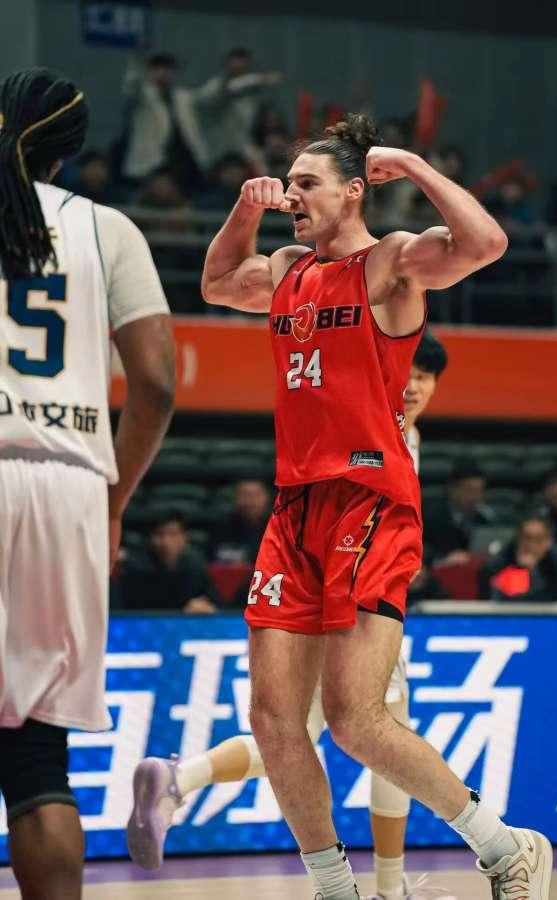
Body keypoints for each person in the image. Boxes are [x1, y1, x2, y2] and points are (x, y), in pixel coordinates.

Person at [131, 115, 551, 898]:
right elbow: (217, 283)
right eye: (288, 183)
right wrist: (246, 208)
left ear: (354, 191)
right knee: (272, 721)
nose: (292, 195)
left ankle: (504, 849)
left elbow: (486, 242)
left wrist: (414, 164)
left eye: (306, 184)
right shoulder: (287, 267)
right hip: (295, 509)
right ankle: (335, 887)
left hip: (369, 502)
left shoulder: (391, 263)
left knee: (356, 719)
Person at [127, 329, 452, 899]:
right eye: (411, 372)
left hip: (334, 596)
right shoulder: (372, 425)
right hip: (347, 603)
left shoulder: (409, 435)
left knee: (291, 739)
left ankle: (181, 777)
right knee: (383, 739)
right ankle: (390, 889)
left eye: (427, 377)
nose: (416, 385)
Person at [0, 68, 175, 900]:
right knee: (38, 761)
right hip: (69, 486)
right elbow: (157, 384)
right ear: (69, 155)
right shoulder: (109, 228)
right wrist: (111, 502)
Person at [120, 53, 209, 188]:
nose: (163, 73)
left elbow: (209, 97)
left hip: (182, 163)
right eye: (158, 69)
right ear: (150, 72)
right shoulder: (144, 95)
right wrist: (137, 59)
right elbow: (133, 85)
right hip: (149, 164)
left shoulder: (183, 97)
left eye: (168, 69)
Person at [196, 48, 282, 168]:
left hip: (244, 145)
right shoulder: (216, 86)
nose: (238, 67)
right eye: (235, 64)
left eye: (243, 65)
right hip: (217, 146)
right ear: (227, 65)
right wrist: (259, 79)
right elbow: (205, 98)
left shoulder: (253, 92)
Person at [118, 513, 221, 613]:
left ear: (184, 538)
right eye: (159, 534)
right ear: (150, 539)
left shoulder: (195, 567)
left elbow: (218, 606)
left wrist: (206, 608)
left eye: (173, 534)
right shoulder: (136, 570)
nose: (166, 542)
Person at [479, 514, 557, 602]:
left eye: (538, 539)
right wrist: (521, 571)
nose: (531, 545)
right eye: (527, 538)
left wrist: (532, 573)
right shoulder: (497, 567)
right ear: (518, 539)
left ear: (548, 542)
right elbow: (509, 604)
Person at [423, 461, 496, 564]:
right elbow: (424, 552)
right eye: (470, 490)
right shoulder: (431, 518)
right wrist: (443, 559)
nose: (475, 497)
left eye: (480, 491)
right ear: (453, 489)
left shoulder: (484, 519)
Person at [211, 479, 272, 563]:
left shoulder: (280, 526)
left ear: (266, 497)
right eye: (245, 495)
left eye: (256, 495)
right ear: (235, 498)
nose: (251, 501)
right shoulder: (222, 526)